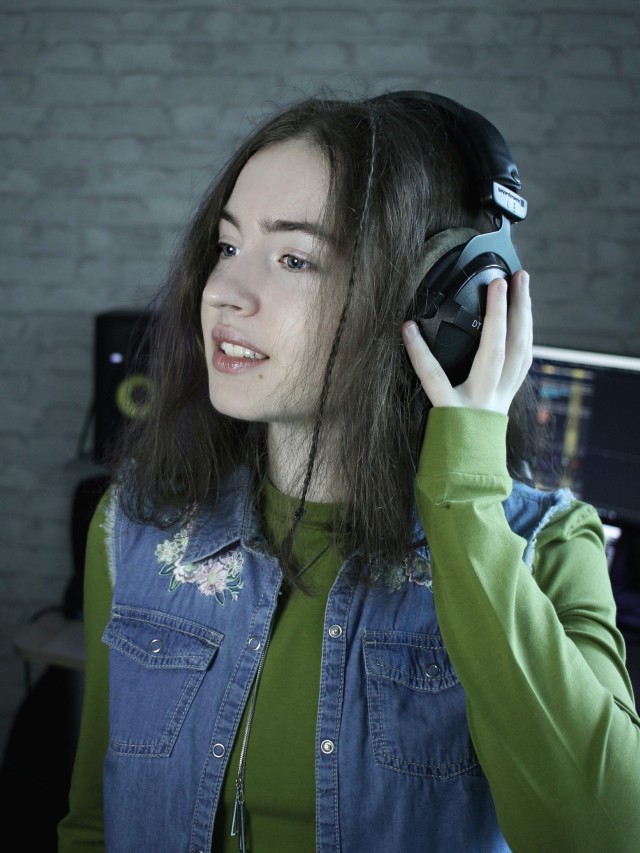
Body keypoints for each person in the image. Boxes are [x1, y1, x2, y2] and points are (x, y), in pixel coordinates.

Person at [58, 90, 640, 853]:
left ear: (440, 304)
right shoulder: (137, 524)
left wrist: (465, 488)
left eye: (295, 258)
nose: (223, 292)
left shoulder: (551, 548)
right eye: (227, 247)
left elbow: (608, 833)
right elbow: (93, 824)